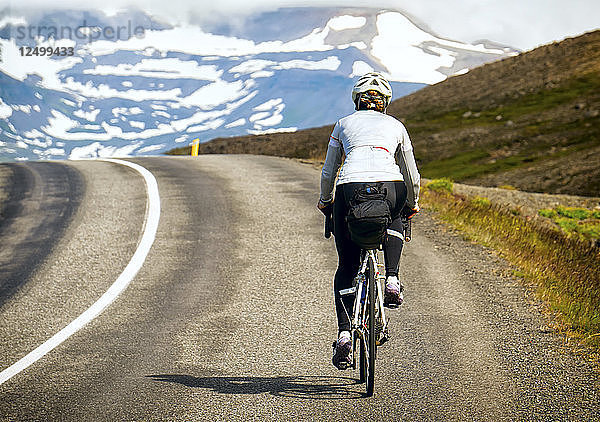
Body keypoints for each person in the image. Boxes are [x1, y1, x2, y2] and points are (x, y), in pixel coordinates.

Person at [317, 72, 421, 369]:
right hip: (391, 185)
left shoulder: (342, 125)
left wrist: (326, 202)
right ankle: (392, 278)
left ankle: (344, 335)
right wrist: (411, 204)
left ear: (356, 101)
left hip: (349, 188)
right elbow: (411, 174)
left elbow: (328, 172)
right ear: (385, 102)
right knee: (397, 214)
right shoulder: (397, 126)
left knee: (347, 266)